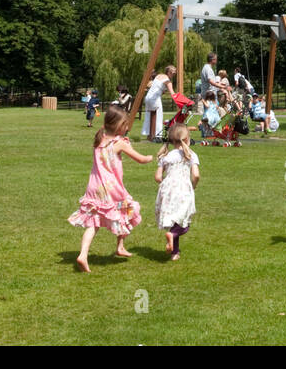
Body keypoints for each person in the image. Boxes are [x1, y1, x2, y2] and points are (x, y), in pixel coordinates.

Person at [69, 104, 152, 273]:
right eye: (125, 124)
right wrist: (152, 157)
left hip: (94, 188)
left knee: (93, 222)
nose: (127, 127)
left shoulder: (99, 138)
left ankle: (83, 254)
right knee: (129, 209)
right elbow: (141, 159)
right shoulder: (120, 143)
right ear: (118, 126)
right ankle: (120, 245)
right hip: (110, 189)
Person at [154, 123, 200, 261]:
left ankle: (175, 252)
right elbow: (196, 175)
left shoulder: (165, 156)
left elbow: (157, 177)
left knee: (175, 221)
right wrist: (194, 185)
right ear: (187, 139)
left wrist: (166, 183)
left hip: (167, 189)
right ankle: (172, 236)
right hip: (183, 189)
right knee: (183, 223)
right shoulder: (190, 155)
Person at [142, 65, 177, 139]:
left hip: (148, 97)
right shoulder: (168, 81)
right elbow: (172, 93)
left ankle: (149, 135)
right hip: (155, 99)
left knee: (149, 116)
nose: (173, 75)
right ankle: (157, 135)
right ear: (169, 72)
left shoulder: (159, 75)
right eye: (173, 73)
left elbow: (157, 87)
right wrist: (179, 100)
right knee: (158, 116)